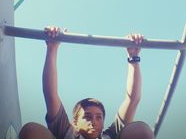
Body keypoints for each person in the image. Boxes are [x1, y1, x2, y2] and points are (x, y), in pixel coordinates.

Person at [19, 26, 154, 139]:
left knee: (140, 129)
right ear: (75, 123)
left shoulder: (109, 135)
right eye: (88, 117)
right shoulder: (68, 133)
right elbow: (50, 94)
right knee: (31, 130)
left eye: (99, 118)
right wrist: (52, 49)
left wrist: (133, 57)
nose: (94, 122)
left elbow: (133, 99)